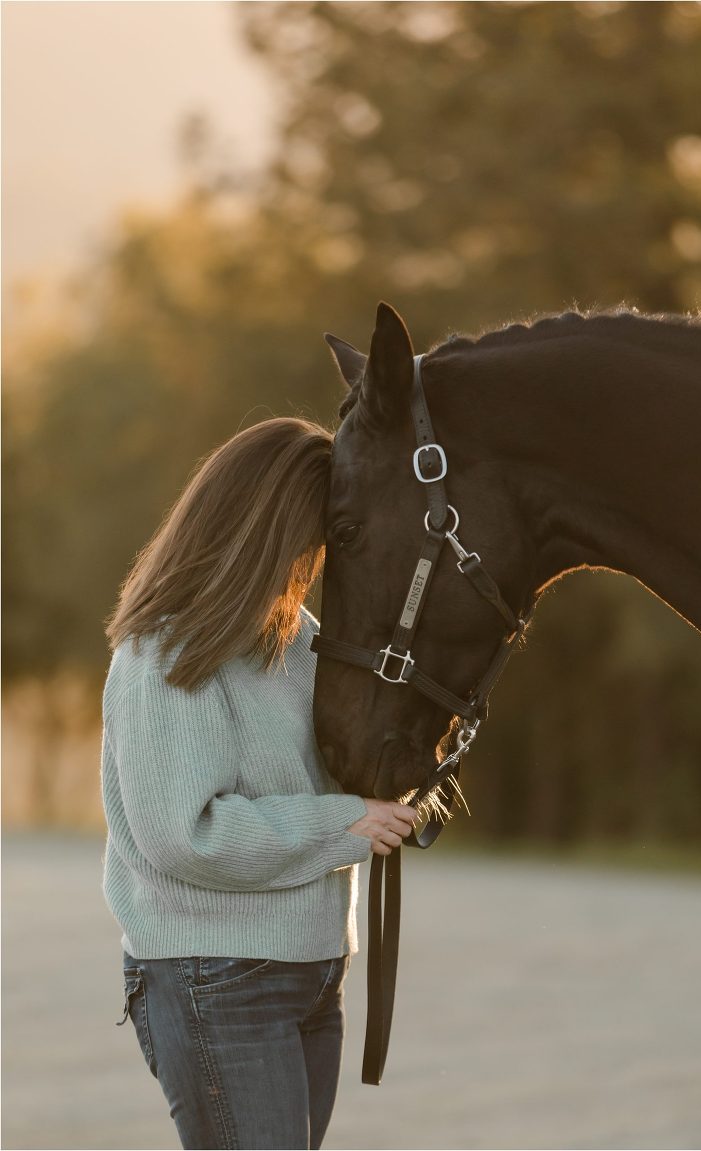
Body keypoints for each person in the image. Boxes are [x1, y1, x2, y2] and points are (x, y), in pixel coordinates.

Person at [101, 417, 417, 1151]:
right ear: (267, 533)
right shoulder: (166, 654)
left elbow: (337, 770)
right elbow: (187, 833)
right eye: (311, 544)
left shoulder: (296, 637)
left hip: (312, 971)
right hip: (219, 977)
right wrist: (343, 825)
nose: (314, 566)